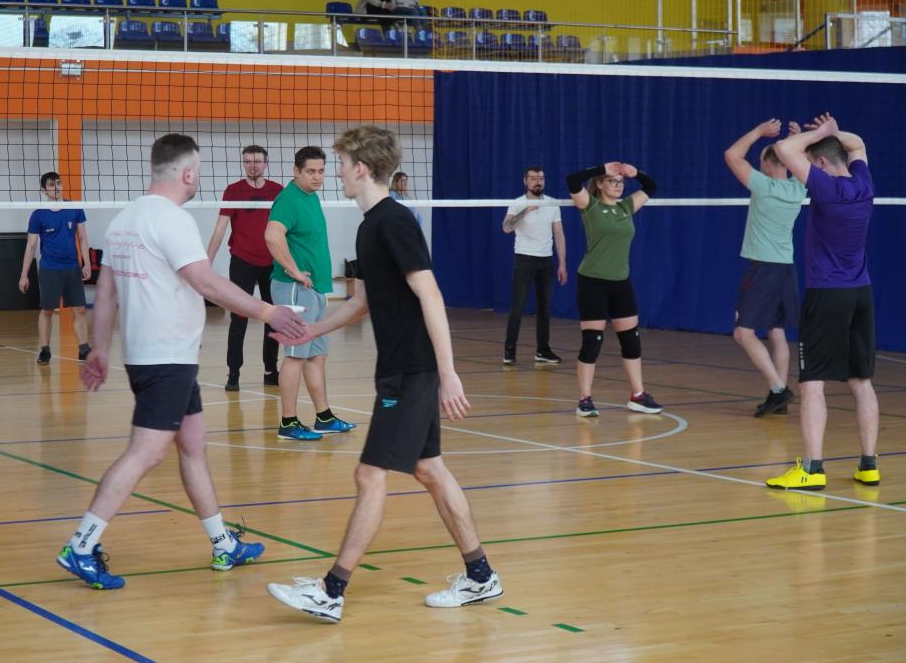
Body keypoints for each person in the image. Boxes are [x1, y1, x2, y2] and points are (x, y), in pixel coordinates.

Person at [267, 126, 501, 623]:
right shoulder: (369, 225)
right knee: (429, 469)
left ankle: (331, 591)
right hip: (399, 368)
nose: (336, 173)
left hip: (412, 370)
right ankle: (481, 576)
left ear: (361, 168)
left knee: (369, 474)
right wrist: (310, 330)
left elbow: (430, 293)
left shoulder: (393, 221)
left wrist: (448, 373)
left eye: (341, 164)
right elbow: (362, 302)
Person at [59, 134, 307, 589]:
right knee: (146, 451)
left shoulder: (124, 219)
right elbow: (206, 283)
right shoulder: (172, 221)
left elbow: (106, 293)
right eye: (199, 171)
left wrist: (100, 348)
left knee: (193, 445)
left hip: (155, 356)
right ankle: (81, 544)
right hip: (166, 357)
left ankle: (222, 543)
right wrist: (269, 312)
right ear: (188, 173)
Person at [766, 113, 879, 490]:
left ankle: (812, 469)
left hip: (827, 294)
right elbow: (858, 144)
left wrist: (823, 132)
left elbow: (783, 149)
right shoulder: (864, 183)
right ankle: (869, 465)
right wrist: (833, 133)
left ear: (820, 163)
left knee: (813, 382)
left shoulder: (825, 188)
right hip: (861, 294)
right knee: (861, 381)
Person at [264, 146, 357, 441]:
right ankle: (288, 423)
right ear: (296, 171)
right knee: (295, 357)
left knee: (317, 356)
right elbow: (272, 236)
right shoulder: (288, 200)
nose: (317, 177)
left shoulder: (310, 196)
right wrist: (292, 270)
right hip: (295, 289)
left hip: (314, 288)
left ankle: (324, 417)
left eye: (321, 171)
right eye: (310, 171)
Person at [723, 119, 807, 417]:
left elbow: (732, 155)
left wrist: (759, 132)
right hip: (786, 269)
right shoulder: (799, 187)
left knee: (743, 333)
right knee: (777, 331)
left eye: (761, 162)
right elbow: (802, 160)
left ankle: (779, 389)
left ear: (768, 164)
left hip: (763, 269)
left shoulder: (763, 186)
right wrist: (799, 139)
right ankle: (777, 398)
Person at [565, 162, 662, 418]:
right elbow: (572, 179)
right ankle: (584, 399)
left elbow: (651, 186)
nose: (618, 186)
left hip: (621, 283)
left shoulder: (626, 207)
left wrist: (634, 173)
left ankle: (638, 395)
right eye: (612, 181)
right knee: (592, 342)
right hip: (592, 282)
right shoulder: (590, 205)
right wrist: (601, 168)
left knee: (631, 339)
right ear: (599, 183)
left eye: (621, 182)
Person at [205, 145, 284, 392]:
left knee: (273, 317)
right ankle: (233, 373)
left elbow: (287, 230)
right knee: (238, 318)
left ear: (266, 164)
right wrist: (206, 263)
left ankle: (270, 370)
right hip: (242, 261)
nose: (252, 166)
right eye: (248, 161)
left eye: (257, 161)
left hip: (272, 262)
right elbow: (220, 228)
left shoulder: (278, 191)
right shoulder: (234, 190)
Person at [19, 172, 91, 365]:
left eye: (58, 183)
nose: (57, 187)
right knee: (47, 310)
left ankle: (84, 349)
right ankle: (45, 350)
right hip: (50, 268)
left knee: (79, 310)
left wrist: (86, 263)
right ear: (44, 190)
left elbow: (83, 238)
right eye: (52, 184)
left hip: (72, 267)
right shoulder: (38, 214)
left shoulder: (75, 208)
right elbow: (31, 246)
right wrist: (24, 275)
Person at [501, 166, 567, 365]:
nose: (538, 181)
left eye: (541, 178)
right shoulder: (517, 203)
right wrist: (525, 211)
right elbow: (506, 228)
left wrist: (562, 263)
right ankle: (509, 351)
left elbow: (559, 235)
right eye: (534, 178)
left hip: (546, 261)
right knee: (518, 306)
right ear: (525, 181)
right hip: (524, 259)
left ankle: (543, 350)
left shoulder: (552, 203)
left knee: (544, 308)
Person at [357, 0, 426, 33]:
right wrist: (383, 4)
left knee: (421, 11)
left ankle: (425, 34)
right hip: (369, 8)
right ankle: (420, 34)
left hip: (387, 8)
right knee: (412, 11)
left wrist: (410, 3)